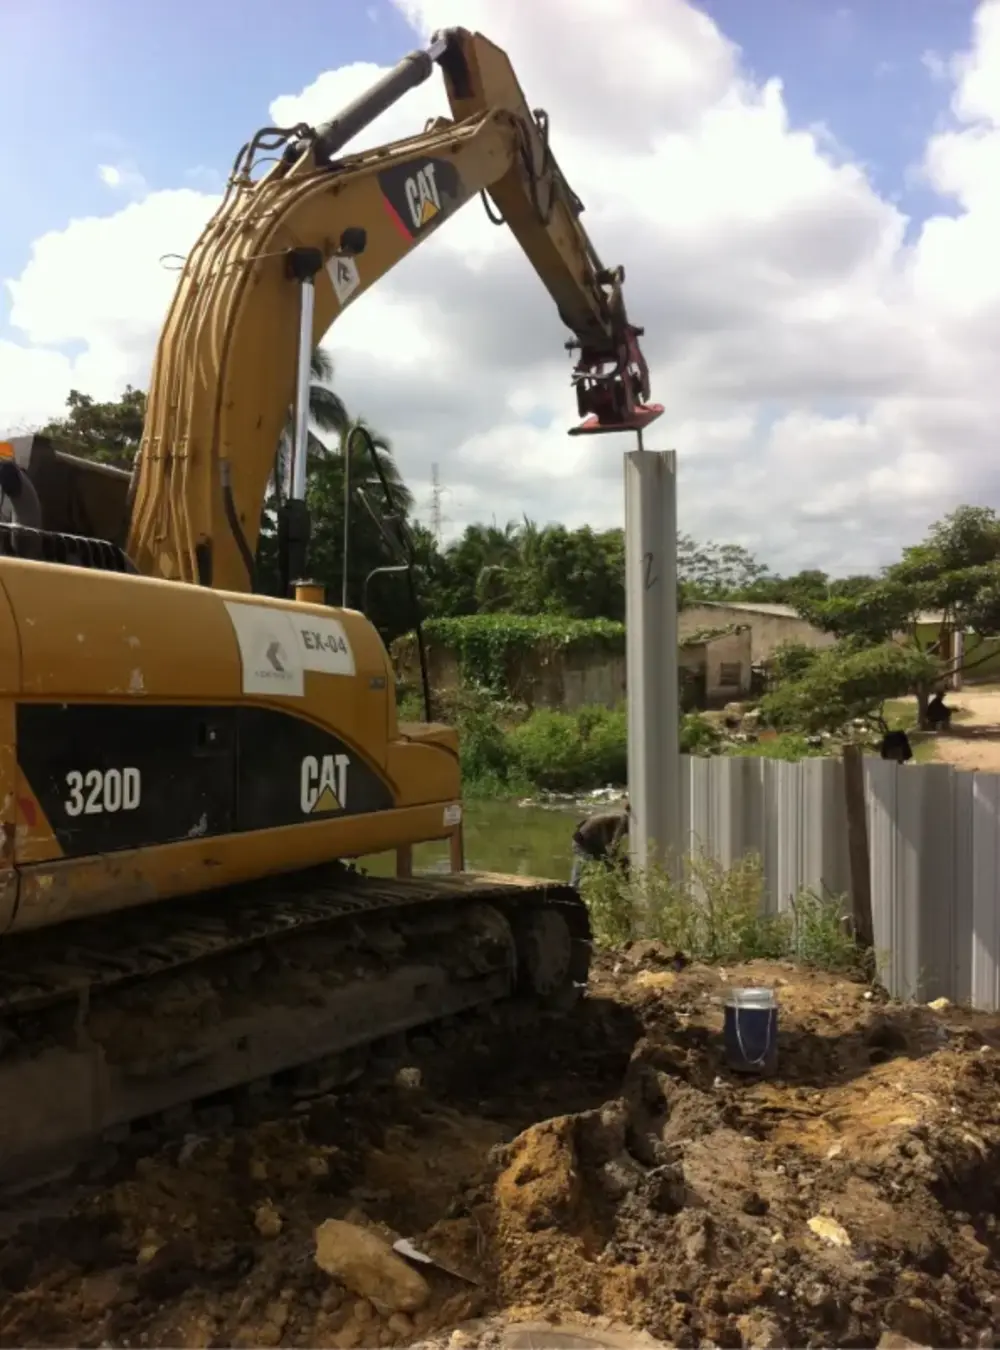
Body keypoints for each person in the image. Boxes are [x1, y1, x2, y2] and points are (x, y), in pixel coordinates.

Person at [569, 799, 629, 887]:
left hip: (592, 840)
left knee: (614, 861)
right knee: (582, 863)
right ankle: (573, 888)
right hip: (583, 841)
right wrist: (613, 854)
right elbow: (614, 842)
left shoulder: (619, 817)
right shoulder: (622, 821)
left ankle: (615, 887)